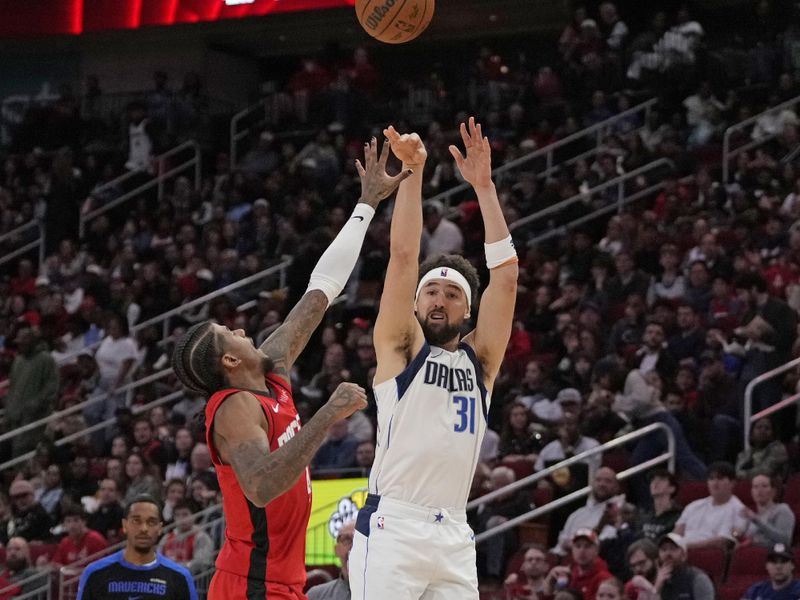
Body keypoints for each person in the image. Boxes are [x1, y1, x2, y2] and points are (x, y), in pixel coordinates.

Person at [170, 138, 409, 599]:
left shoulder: (269, 370)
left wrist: (366, 204)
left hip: (279, 579)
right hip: (251, 582)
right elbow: (259, 486)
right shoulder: (234, 406)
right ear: (229, 361)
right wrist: (326, 415)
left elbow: (321, 291)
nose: (241, 330)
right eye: (231, 332)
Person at [348, 118, 518, 599]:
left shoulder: (481, 362)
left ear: (467, 310)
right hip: (393, 527)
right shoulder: (400, 348)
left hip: (454, 535)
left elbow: (505, 278)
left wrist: (484, 188)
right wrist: (413, 171)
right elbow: (403, 257)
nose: (439, 301)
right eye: (430, 293)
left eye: (451, 294)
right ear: (416, 305)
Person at [77, 495, 197, 599]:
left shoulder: (179, 577)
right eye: (136, 521)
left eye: (151, 522)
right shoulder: (96, 573)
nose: (144, 529)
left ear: (160, 528)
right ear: (124, 525)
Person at [4, 327, 59, 455]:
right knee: (12, 448)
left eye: (23, 343)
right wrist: (9, 411)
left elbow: (52, 386)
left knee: (22, 449)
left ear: (32, 341)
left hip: (34, 415)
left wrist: (36, 403)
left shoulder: (46, 359)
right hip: (16, 413)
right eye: (19, 344)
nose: (20, 346)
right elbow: (13, 387)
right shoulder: (18, 360)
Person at [673, 461, 748, 548]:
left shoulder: (740, 510)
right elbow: (676, 533)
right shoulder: (693, 506)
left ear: (732, 483)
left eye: (720, 478)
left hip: (706, 554)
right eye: (711, 479)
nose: (715, 483)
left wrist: (685, 546)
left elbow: (724, 541)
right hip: (679, 553)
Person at [553, 468, 621, 555]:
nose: (602, 484)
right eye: (598, 480)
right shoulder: (577, 514)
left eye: (608, 481)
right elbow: (562, 542)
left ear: (616, 486)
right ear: (592, 484)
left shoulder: (618, 512)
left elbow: (603, 543)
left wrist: (572, 545)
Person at [544, 529, 613, 600]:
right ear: (572, 549)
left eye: (587, 546)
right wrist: (549, 583)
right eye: (578, 546)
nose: (582, 551)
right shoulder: (567, 573)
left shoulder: (604, 579)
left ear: (597, 550)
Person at [158, 499, 213, 575]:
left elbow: (201, 563)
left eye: (185, 514)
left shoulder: (201, 537)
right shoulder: (167, 537)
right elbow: (158, 558)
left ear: (194, 516)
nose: (181, 519)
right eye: (177, 515)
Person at [653, 533, 714, 600]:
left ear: (684, 555)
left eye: (673, 549)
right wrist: (657, 587)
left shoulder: (698, 579)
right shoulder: (658, 580)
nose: (668, 554)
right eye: (664, 549)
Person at [741, 472, 796, 547]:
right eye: (755, 487)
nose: (759, 490)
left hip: (773, 557)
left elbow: (784, 541)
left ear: (773, 491)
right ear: (751, 492)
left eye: (764, 486)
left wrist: (756, 520)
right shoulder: (751, 517)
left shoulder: (782, 509)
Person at [307, 521, 354, 600]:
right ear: (336, 549)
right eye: (346, 539)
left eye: (360, 540)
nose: (353, 546)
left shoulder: (380, 593)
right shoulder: (316, 596)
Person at [639, 469, 681, 541]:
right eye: (652, 480)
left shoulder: (678, 516)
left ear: (672, 488)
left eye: (662, 479)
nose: (655, 482)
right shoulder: (644, 513)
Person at [87, 478, 124, 544]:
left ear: (117, 494)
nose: (106, 493)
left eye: (111, 490)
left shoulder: (121, 514)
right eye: (103, 489)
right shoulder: (94, 514)